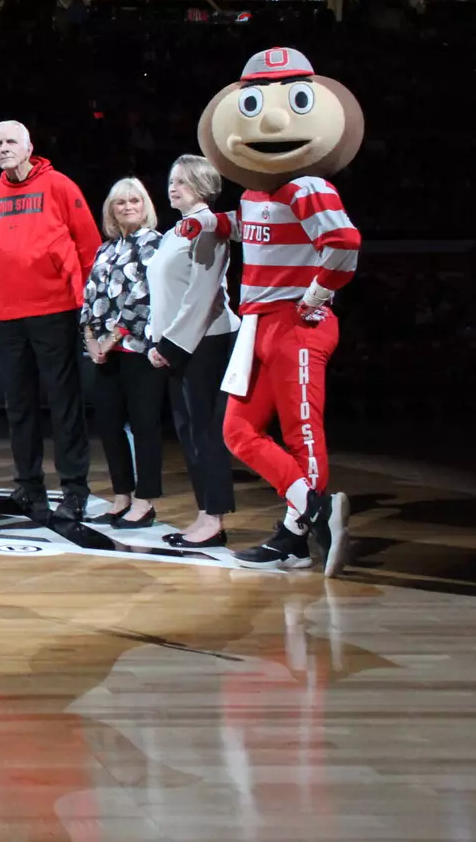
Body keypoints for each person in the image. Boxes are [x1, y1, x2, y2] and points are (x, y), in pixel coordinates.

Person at [183, 47, 364, 576]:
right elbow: (252, 232)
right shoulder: (255, 191)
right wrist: (213, 224)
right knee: (237, 432)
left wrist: (319, 293)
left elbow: (344, 241)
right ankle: (313, 510)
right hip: (257, 322)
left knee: (302, 431)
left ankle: (297, 529)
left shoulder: (307, 185)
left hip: (295, 323)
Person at [0, 121, 103, 523]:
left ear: (30, 146)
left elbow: (89, 248)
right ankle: (29, 488)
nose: (3, 148)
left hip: (56, 310)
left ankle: (74, 489)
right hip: (9, 314)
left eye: (11, 141)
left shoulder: (60, 186)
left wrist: (89, 310)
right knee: (19, 406)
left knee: (64, 404)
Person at [146, 154, 240, 549]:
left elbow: (203, 296)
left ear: (202, 186)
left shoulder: (207, 228)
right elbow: (164, 295)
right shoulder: (175, 232)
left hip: (206, 342)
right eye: (171, 179)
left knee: (206, 433)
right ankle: (204, 515)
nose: (173, 187)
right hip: (179, 344)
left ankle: (214, 519)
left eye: (182, 181)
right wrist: (156, 338)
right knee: (189, 433)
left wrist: (169, 345)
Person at [80, 178, 166, 529]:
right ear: (111, 210)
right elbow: (89, 298)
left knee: (144, 425)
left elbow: (143, 299)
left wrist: (110, 339)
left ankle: (145, 501)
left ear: (145, 205)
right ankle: (121, 494)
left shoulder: (156, 245)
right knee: (109, 424)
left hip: (139, 350)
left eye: (135, 200)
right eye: (120, 203)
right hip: (104, 353)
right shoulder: (106, 249)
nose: (128, 207)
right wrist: (90, 340)